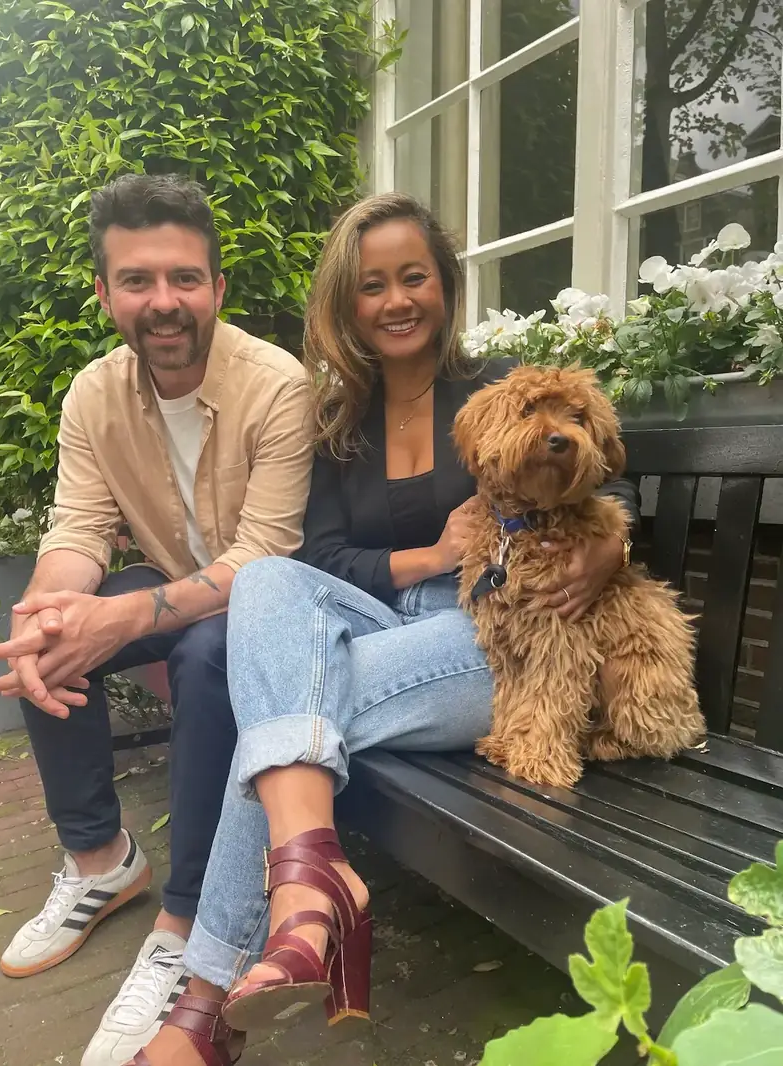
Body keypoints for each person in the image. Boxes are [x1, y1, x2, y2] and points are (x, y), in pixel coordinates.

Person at [124, 191, 641, 1066]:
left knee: (276, 715)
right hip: (382, 617)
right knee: (269, 582)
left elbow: (603, 469)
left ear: (445, 285)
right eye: (373, 285)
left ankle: (211, 1001)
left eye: (414, 278)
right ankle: (308, 887)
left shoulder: (502, 387)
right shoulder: (338, 421)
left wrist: (612, 541)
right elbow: (322, 556)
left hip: (494, 636)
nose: (397, 300)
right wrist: (429, 555)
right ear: (348, 303)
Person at [0, 174, 314, 1065]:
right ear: (105, 293)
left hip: (275, 606)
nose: (163, 301)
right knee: (47, 626)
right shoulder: (92, 396)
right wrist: (54, 611)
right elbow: (78, 530)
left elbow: (264, 557)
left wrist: (121, 614)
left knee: (207, 648)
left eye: (183, 278)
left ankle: (189, 926)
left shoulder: (277, 386)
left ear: (217, 287)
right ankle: (101, 862)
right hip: (173, 581)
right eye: (137, 280)